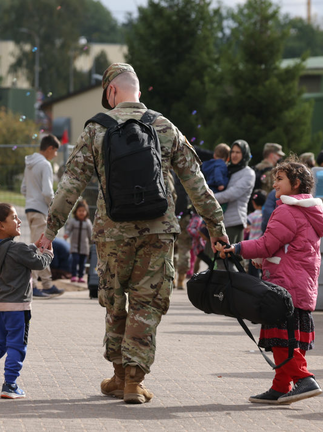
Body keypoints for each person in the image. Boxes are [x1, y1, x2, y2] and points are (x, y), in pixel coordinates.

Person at [35, 63, 228, 404]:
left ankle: (120, 373)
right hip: (159, 231)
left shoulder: (96, 130)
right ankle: (132, 381)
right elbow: (196, 185)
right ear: (138, 90)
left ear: (111, 91)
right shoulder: (165, 126)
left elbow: (71, 184)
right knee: (146, 303)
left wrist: (50, 229)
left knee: (114, 301)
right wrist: (216, 228)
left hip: (113, 234)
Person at [217, 157, 323, 405]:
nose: (274, 184)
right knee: (285, 337)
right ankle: (280, 387)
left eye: (279, 179)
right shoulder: (310, 212)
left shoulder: (287, 211)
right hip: (300, 285)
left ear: (296, 183)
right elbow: (289, 249)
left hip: (284, 285)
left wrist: (235, 248)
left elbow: (267, 243)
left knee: (282, 338)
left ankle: (304, 379)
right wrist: (265, 259)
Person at [0, 203, 54, 399]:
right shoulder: (18, 248)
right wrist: (48, 253)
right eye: (14, 218)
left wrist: (34, 246)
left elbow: (19, 255)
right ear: (1, 224)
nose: (19, 221)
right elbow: (38, 263)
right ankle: (10, 384)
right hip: (17, 307)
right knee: (17, 345)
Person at [21, 134, 65, 299]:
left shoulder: (29, 164)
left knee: (43, 246)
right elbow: (47, 191)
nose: (55, 155)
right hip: (40, 210)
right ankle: (32, 285)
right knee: (39, 248)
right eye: (55, 151)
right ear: (49, 149)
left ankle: (46, 284)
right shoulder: (45, 165)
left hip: (30, 209)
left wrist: (32, 197)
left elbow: (23, 188)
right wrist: (53, 207)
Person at [213, 140, 255, 261]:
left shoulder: (248, 173)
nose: (235, 155)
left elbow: (232, 194)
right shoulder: (228, 169)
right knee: (218, 260)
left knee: (230, 262)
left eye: (239, 152)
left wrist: (210, 198)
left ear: (245, 154)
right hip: (220, 220)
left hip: (234, 221)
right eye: (233, 152)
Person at [63, 199, 93, 283]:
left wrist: (93, 240)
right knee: (74, 261)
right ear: (76, 211)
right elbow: (68, 230)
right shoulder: (73, 221)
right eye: (79, 211)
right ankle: (73, 275)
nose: (81, 213)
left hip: (84, 247)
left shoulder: (87, 222)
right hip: (75, 246)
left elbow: (91, 234)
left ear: (86, 212)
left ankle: (81, 277)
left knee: (82, 263)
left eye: (83, 211)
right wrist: (67, 234)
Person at [243, 189, 267, 278]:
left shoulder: (252, 216)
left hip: (252, 246)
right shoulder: (265, 215)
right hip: (262, 245)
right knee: (262, 268)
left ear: (253, 203)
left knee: (252, 270)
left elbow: (245, 226)